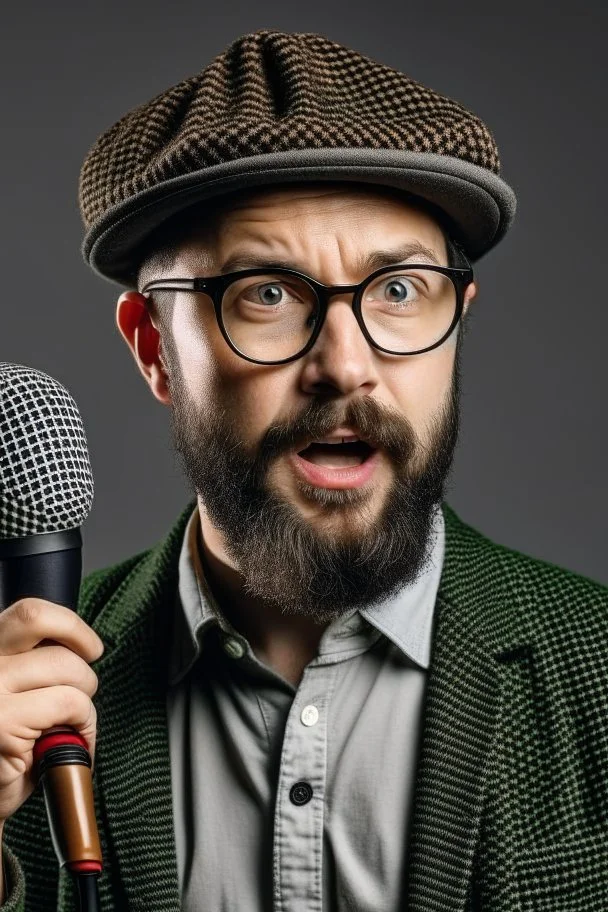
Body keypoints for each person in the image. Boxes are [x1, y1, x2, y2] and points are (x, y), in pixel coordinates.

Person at [1, 28, 606, 912]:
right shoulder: (23, 711)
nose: (346, 364)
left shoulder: (596, 666)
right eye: (268, 295)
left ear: (459, 320)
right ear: (155, 349)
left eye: (399, 290)